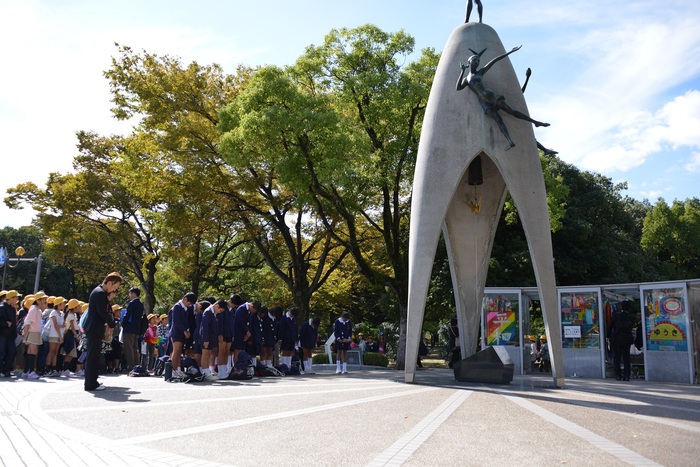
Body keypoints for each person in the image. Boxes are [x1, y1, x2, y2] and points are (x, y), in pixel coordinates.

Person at [456, 46, 549, 150]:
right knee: (498, 120)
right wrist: (462, 72)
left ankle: (535, 122)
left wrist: (510, 52)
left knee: (511, 111)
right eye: (475, 60)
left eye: (478, 61)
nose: (477, 62)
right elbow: (458, 87)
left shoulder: (480, 72)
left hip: (491, 96)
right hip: (484, 103)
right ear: (469, 62)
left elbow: (494, 61)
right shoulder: (466, 79)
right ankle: (510, 140)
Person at [83, 272, 123, 391]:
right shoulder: (100, 293)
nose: (114, 289)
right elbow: (102, 312)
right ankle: (90, 383)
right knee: (93, 356)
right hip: (94, 327)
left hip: (94, 327)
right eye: (114, 287)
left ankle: (92, 381)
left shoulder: (99, 292)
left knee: (94, 355)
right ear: (109, 282)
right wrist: (112, 323)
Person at [169, 292, 197, 381]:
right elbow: (177, 321)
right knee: (176, 351)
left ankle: (178, 369)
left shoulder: (185, 308)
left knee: (179, 352)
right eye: (189, 303)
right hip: (176, 332)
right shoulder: (177, 307)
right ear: (185, 299)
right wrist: (184, 330)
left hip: (181, 332)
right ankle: (173, 371)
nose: (189, 305)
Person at [608, 300, 635, 381]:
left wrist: (608, 336)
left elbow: (610, 327)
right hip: (627, 338)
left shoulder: (616, 315)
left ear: (621, 307)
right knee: (626, 357)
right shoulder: (631, 317)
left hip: (617, 337)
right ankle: (627, 375)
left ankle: (618, 375)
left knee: (617, 357)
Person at [122, 287, 144, 371]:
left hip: (129, 328)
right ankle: (136, 365)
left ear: (134, 294)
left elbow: (127, 315)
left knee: (128, 347)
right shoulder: (140, 304)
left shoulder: (132, 303)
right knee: (135, 347)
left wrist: (123, 323)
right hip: (136, 329)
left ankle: (130, 365)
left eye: (130, 293)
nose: (129, 295)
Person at [0, 290, 20, 377]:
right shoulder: (1, 307)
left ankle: (6, 370)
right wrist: (5, 323)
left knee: (12, 352)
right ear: (11, 298)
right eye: (16, 297)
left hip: (11, 335)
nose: (17, 299)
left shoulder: (12, 308)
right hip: (2, 334)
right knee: (1, 352)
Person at [45, 296, 66, 376]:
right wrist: (60, 336)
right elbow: (56, 326)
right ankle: (48, 369)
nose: (64, 305)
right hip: (54, 334)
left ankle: (54, 369)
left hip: (60, 335)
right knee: (51, 352)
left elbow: (61, 325)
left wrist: (61, 327)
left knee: (56, 352)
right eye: (63, 303)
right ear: (59, 304)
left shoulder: (62, 313)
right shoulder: (53, 313)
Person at [278, 307, 300, 371]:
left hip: (292, 337)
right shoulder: (284, 318)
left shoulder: (294, 319)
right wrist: (280, 338)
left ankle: (289, 366)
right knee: (285, 351)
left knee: (290, 351)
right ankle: (284, 365)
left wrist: (296, 339)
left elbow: (296, 329)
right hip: (285, 337)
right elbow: (281, 329)